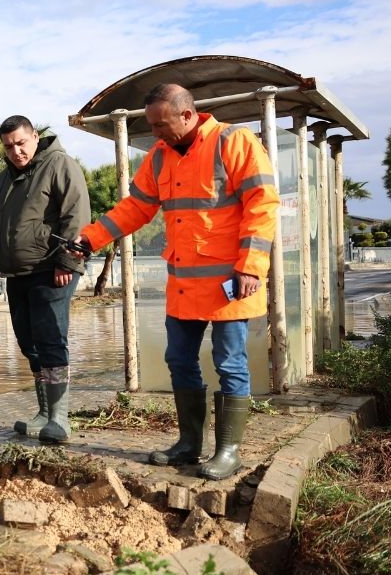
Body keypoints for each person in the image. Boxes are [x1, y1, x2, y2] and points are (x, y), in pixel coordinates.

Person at [76, 84, 279, 480]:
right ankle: (189, 445)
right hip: (185, 284)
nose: (156, 133)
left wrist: (252, 266)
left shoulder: (233, 142)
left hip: (232, 284)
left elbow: (263, 204)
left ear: (187, 115)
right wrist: (91, 238)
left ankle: (228, 451)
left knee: (231, 363)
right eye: (151, 125)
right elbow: (135, 208)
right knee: (179, 360)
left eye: (161, 124)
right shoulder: (158, 157)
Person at [0, 116, 91, 444]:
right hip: (18, 272)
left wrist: (67, 261)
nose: (16, 151)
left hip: (51, 268)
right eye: (8, 146)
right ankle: (44, 412)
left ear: (35, 136)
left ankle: (59, 418)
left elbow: (77, 215)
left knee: (50, 340)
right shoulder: (3, 179)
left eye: (21, 143)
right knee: (28, 342)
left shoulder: (60, 165)